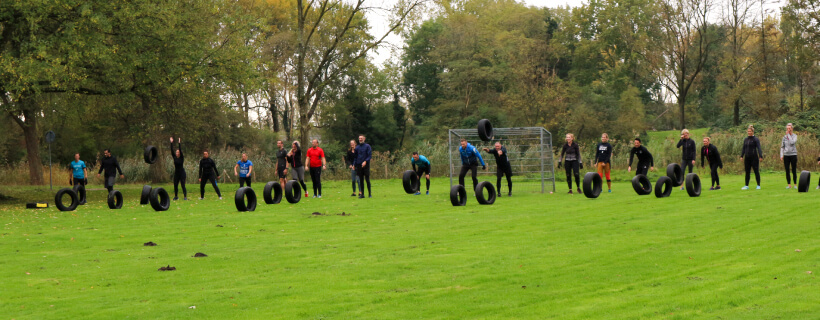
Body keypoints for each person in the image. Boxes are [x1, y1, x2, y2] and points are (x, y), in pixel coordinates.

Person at [740, 125, 763, 190]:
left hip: (754, 158)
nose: (749, 132)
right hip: (747, 158)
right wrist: (741, 156)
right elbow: (744, 148)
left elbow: (758, 148)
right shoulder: (746, 139)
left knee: (756, 171)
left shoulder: (755, 139)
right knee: (747, 172)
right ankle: (746, 185)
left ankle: (758, 185)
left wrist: (760, 156)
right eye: (748, 131)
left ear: (752, 132)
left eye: (750, 131)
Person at [780, 123, 798, 189]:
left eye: (789, 128)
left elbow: (792, 142)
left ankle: (795, 184)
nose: (788, 130)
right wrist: (781, 155)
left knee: (794, 170)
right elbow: (782, 147)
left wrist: (788, 135)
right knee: (787, 170)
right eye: (787, 128)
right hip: (786, 155)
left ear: (792, 129)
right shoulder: (784, 137)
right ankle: (789, 184)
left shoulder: (795, 136)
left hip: (793, 155)